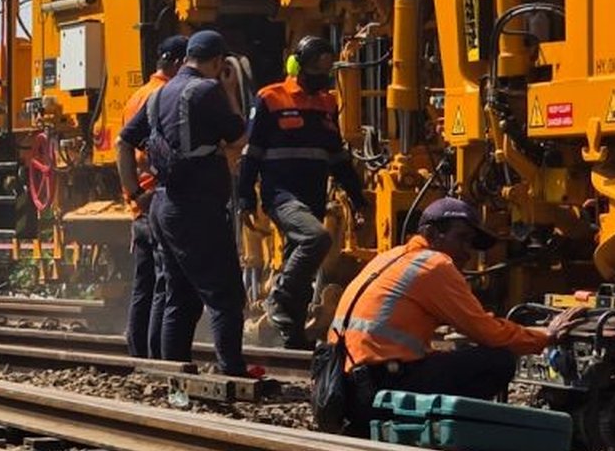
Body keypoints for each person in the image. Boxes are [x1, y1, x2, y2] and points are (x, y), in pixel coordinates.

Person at [332, 197, 583, 433]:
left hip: (342, 389)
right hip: (377, 388)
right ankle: (433, 431)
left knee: (449, 358)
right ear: (431, 234)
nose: (467, 251)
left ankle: (380, 425)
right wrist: (545, 336)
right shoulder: (434, 265)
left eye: (470, 243)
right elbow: (487, 332)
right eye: (461, 238)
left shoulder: (388, 258)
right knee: (498, 361)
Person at [118, 30, 254, 376]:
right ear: (217, 62)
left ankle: (172, 372)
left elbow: (123, 142)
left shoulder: (157, 95)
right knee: (225, 296)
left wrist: (135, 192)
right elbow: (239, 134)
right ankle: (232, 372)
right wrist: (227, 89)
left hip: (163, 204)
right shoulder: (207, 90)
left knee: (180, 295)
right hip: (198, 207)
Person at [237, 35, 370, 348]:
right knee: (317, 238)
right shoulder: (271, 98)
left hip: (312, 198)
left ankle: (293, 340)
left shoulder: (327, 104)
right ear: (297, 66)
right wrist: (245, 198)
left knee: (298, 260)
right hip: (281, 196)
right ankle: (279, 299)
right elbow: (251, 154)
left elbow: (338, 158)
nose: (321, 75)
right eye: (315, 67)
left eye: (326, 68)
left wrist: (358, 198)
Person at [115, 34, 187, 359]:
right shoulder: (164, 96)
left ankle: (139, 350)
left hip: (141, 202)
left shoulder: (139, 95)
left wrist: (134, 193)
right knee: (164, 281)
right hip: (156, 198)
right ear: (176, 62)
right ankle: (156, 356)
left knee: (146, 281)